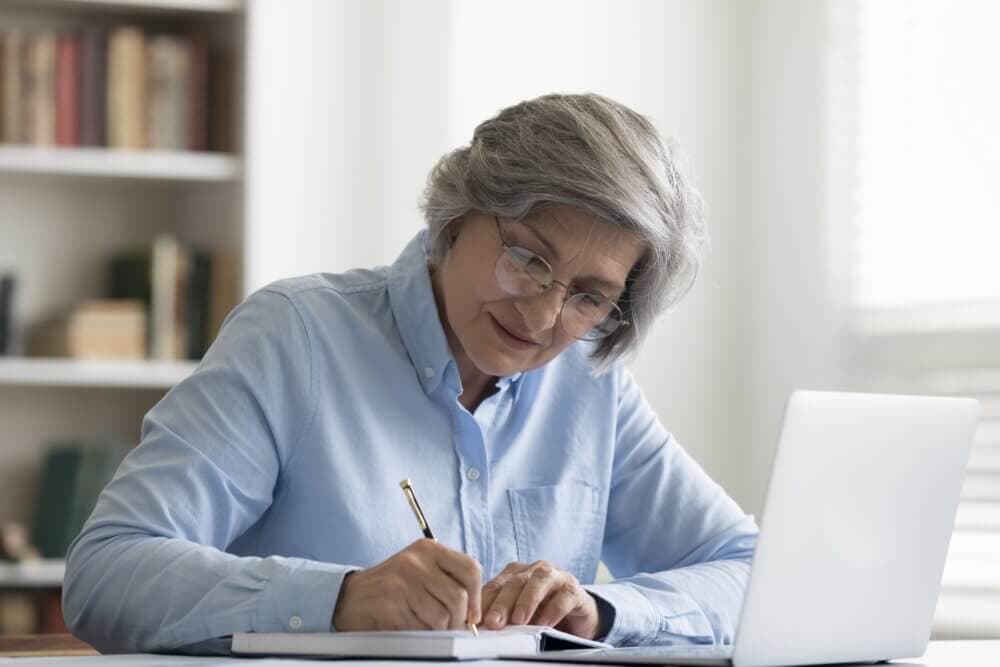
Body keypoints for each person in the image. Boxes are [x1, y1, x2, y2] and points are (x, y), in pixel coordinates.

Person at [63, 93, 757, 654]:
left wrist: (599, 609)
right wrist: (340, 598)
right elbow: (108, 573)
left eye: (588, 296)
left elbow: (751, 568)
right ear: (456, 214)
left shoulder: (589, 383)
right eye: (528, 259)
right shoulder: (295, 337)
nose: (545, 315)